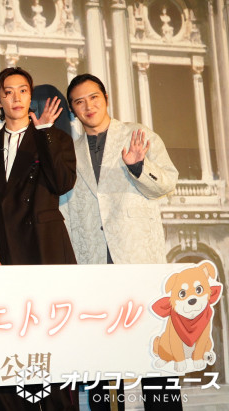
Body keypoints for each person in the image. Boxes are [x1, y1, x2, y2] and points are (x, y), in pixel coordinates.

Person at [62, 73, 180, 411]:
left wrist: (138, 166)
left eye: (93, 97)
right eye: (79, 102)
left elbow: (167, 183)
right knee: (103, 363)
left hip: (138, 260)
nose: (88, 106)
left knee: (156, 356)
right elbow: (66, 208)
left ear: (106, 98)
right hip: (95, 267)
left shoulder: (137, 134)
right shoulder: (70, 152)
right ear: (73, 110)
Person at [0, 67, 77, 410]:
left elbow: (62, 183)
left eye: (23, 91)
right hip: (4, 253)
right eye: (8, 92)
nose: (16, 98)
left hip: (46, 248)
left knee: (54, 340)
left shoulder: (55, 138)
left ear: (31, 96)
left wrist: (44, 132)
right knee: (9, 342)